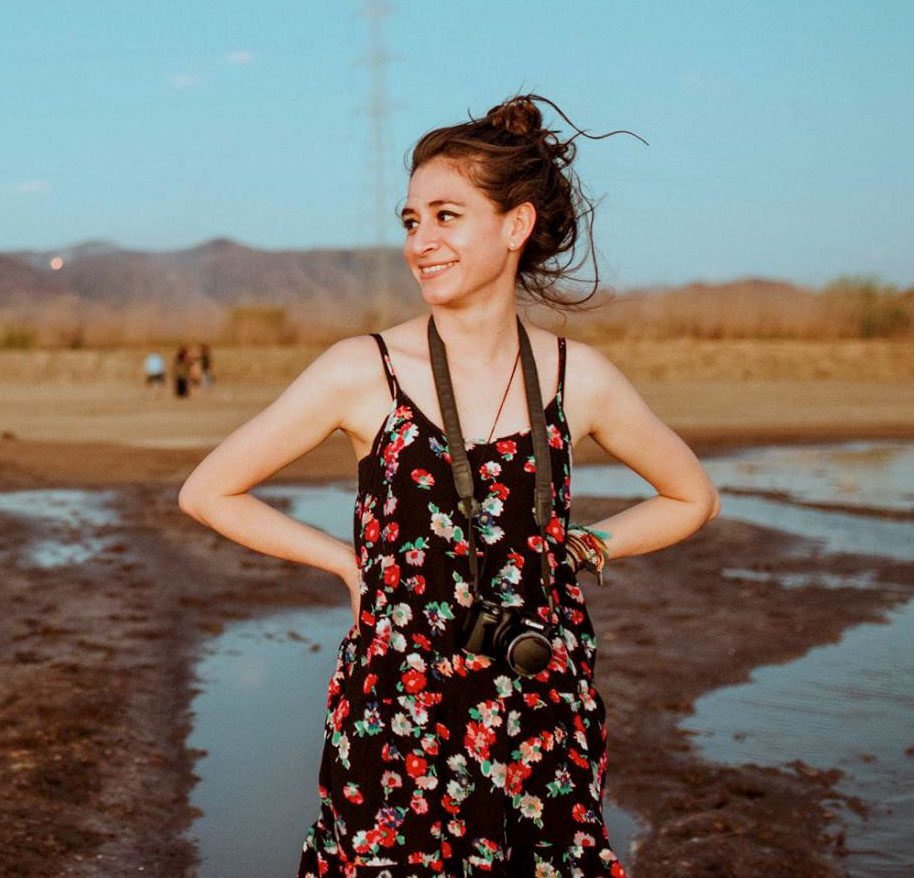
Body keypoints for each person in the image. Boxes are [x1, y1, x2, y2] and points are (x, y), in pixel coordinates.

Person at [178, 94, 720, 876]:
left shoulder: (579, 377)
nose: (420, 243)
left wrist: (589, 546)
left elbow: (691, 495)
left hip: (543, 708)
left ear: (515, 225)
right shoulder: (364, 370)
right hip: (395, 709)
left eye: (445, 216)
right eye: (410, 221)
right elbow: (208, 491)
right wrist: (345, 564)